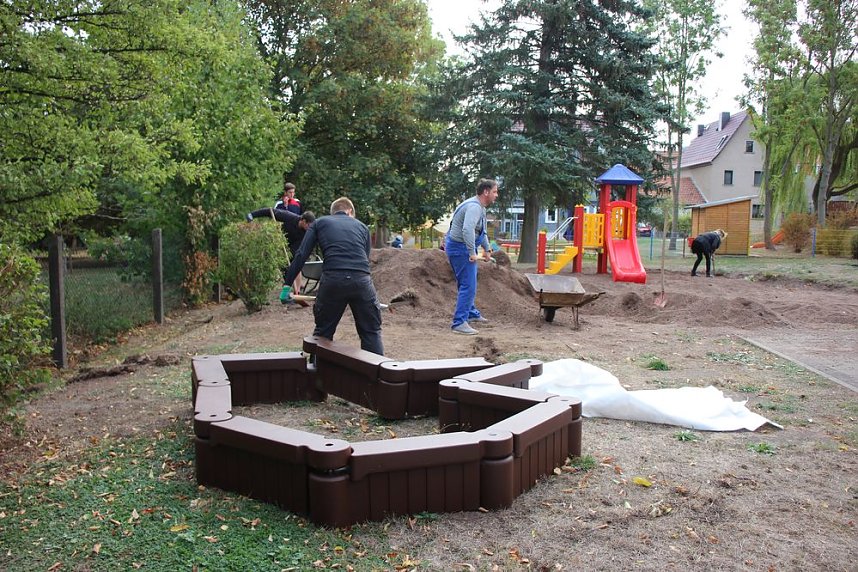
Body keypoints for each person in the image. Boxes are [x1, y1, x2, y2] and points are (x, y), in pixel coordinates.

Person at [282, 197, 384, 355]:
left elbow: (301, 255)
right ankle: (377, 377)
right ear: (350, 211)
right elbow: (365, 259)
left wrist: (287, 285)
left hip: (333, 281)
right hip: (362, 282)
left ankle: (317, 376)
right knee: (371, 331)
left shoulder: (320, 223)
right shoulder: (363, 227)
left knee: (323, 333)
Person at [445, 178, 499, 335]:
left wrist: (487, 249)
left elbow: (479, 231)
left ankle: (470, 312)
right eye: (495, 191)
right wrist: (471, 253)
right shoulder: (474, 207)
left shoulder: (479, 206)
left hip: (460, 246)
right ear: (486, 192)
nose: (497, 195)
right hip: (460, 248)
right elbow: (467, 230)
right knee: (468, 285)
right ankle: (459, 322)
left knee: (467, 282)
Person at [246, 207, 315, 302]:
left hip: (295, 244)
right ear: (303, 220)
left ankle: (297, 292)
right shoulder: (289, 217)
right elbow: (269, 211)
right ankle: (287, 288)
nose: (309, 227)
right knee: (282, 266)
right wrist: (252, 215)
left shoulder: (306, 233)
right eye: (308, 225)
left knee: (296, 262)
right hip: (281, 241)